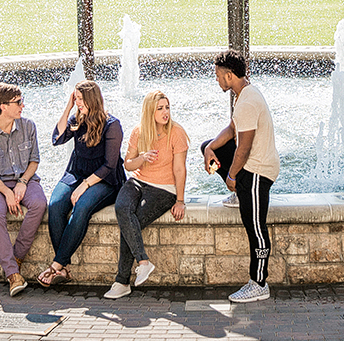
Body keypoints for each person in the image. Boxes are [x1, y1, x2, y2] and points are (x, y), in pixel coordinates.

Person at [200, 49, 279, 303]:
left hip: (257, 171)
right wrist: (211, 147)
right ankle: (241, 194)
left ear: (230, 75)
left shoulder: (246, 102)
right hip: (250, 167)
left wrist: (232, 177)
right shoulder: (244, 94)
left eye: (218, 76)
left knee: (255, 227)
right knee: (207, 146)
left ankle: (259, 283)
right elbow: (233, 129)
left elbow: (244, 147)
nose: (216, 80)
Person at [36, 80, 123, 287]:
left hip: (104, 180)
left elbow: (109, 166)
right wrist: (68, 108)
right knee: (55, 206)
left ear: (92, 99)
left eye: (81, 99)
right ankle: (63, 269)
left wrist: (84, 186)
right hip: (75, 173)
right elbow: (57, 138)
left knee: (81, 207)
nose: (78, 102)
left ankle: (56, 266)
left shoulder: (112, 125)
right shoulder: (76, 119)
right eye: (76, 98)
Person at [103, 90, 188, 299]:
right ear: (150, 111)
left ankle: (122, 281)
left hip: (164, 188)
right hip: (138, 181)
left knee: (132, 223)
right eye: (160, 108)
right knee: (122, 208)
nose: (165, 112)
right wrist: (142, 158)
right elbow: (128, 164)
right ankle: (143, 262)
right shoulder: (139, 131)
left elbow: (180, 169)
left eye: (167, 107)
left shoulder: (177, 133)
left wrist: (180, 200)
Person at [0, 83, 47, 296]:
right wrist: (7, 192)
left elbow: (34, 160)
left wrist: (23, 183)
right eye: (18, 102)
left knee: (39, 204)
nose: (22, 106)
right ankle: (13, 275)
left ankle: (15, 258)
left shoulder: (28, 126)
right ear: (3, 106)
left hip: (25, 180)